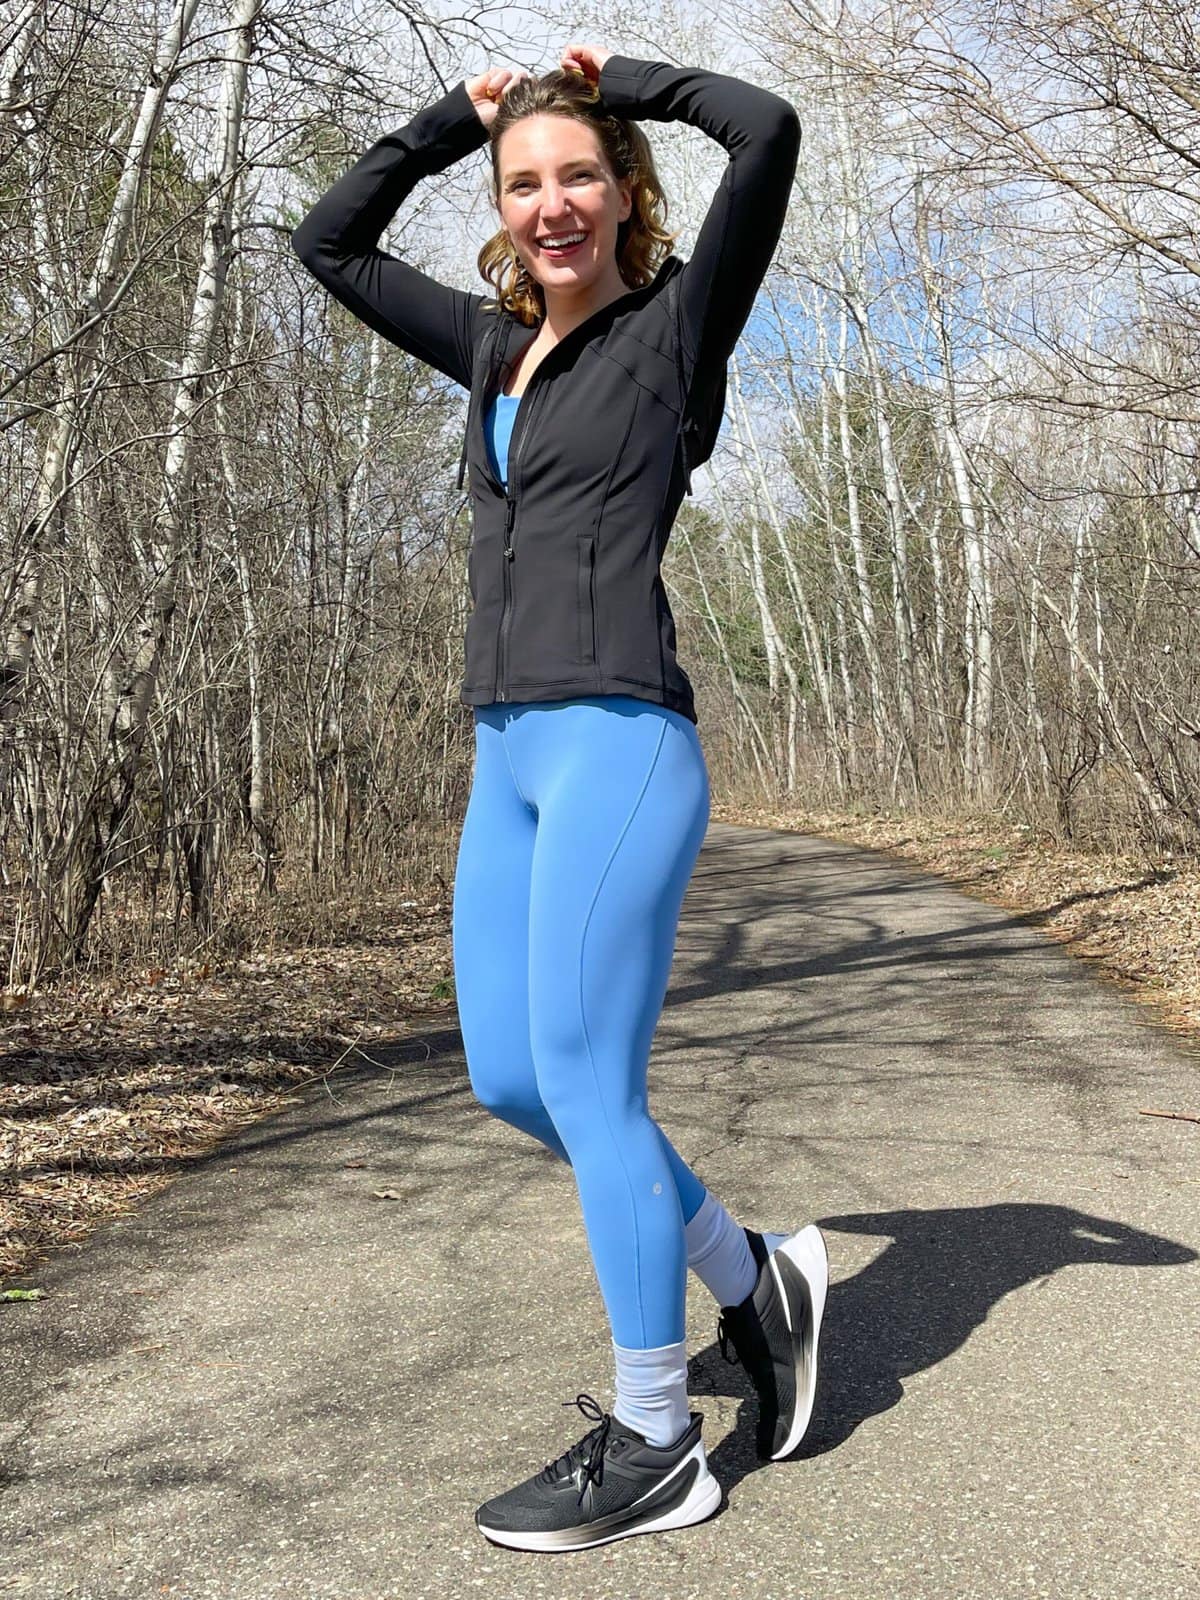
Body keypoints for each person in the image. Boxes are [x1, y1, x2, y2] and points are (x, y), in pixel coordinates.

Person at [291, 39, 828, 1553]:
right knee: (516, 1084)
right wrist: (442, 122)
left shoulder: (673, 334)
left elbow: (768, 127)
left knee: (595, 1089)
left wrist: (625, 81)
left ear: (625, 189)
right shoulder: (486, 348)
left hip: (619, 739)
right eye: (524, 184)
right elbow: (324, 241)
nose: (550, 204)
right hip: (505, 754)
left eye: (577, 174)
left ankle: (661, 1437)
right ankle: (750, 1278)